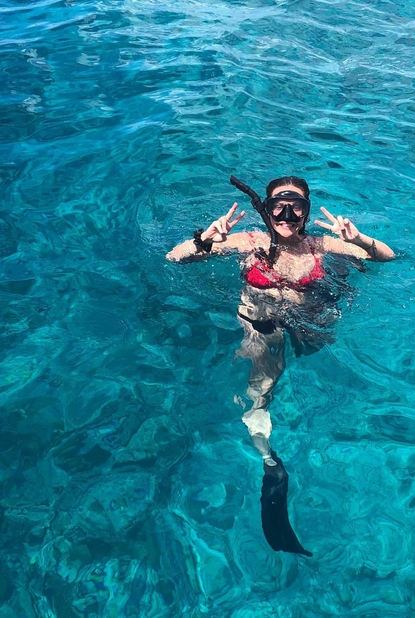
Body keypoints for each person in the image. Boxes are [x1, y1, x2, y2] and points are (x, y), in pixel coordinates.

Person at [167, 175, 394, 555]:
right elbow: (175, 258)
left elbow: (387, 257)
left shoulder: (322, 245)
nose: (286, 214)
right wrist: (206, 240)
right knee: (263, 386)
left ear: (306, 210)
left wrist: (358, 240)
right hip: (262, 322)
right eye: (278, 205)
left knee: (320, 352)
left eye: (296, 206)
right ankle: (270, 461)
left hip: (311, 320)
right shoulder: (249, 243)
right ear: (265, 208)